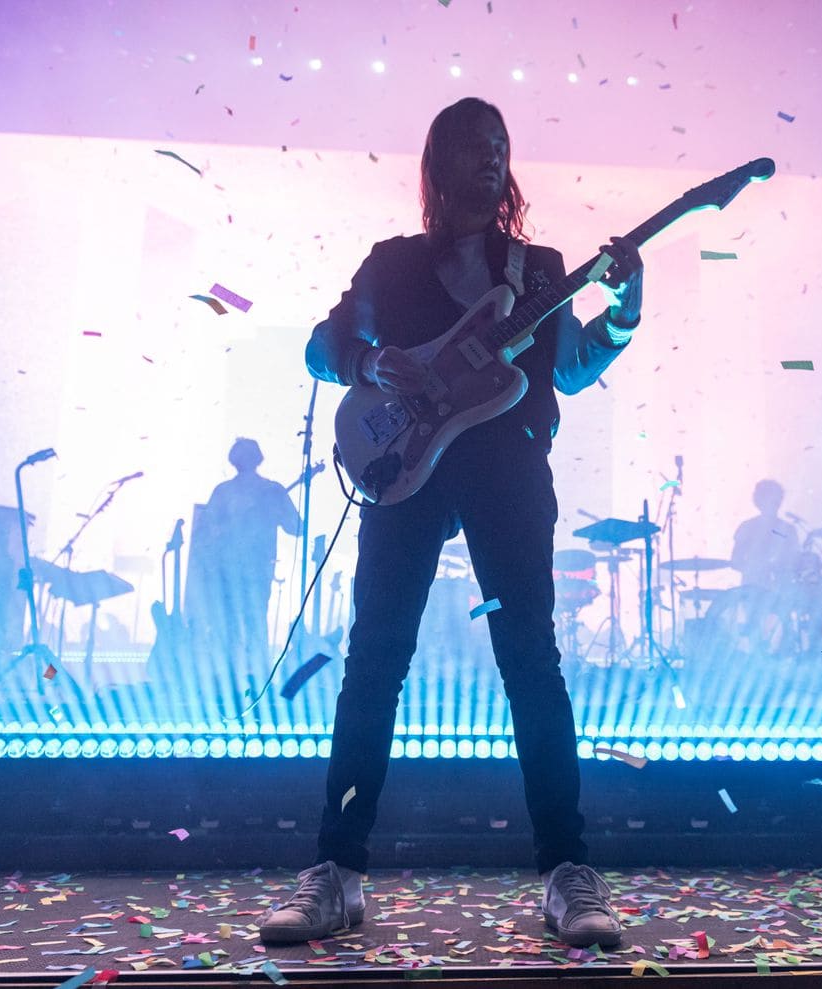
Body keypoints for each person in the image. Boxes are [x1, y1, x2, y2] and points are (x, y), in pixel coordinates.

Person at [256, 97, 644, 949]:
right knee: (377, 659)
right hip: (405, 470)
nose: (491, 159)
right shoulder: (392, 266)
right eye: (473, 146)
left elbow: (573, 371)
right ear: (438, 163)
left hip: (507, 471)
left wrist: (625, 309)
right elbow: (325, 350)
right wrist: (368, 360)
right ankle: (339, 871)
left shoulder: (541, 269)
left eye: (501, 145)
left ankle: (566, 872)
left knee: (532, 663)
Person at [189, 438, 299, 696]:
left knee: (245, 625)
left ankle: (248, 679)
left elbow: (296, 527)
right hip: (233, 571)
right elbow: (205, 532)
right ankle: (247, 680)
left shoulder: (268, 491)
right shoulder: (228, 491)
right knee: (244, 625)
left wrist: (276, 506)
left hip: (250, 571)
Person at [725, 480, 822, 655]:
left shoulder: (788, 529)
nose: (773, 503)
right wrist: (757, 568)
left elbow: (796, 562)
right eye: (769, 498)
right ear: (759, 501)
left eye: (776, 499)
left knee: (785, 629)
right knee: (756, 631)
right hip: (754, 587)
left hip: (782, 588)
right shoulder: (747, 528)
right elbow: (735, 561)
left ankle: (789, 652)